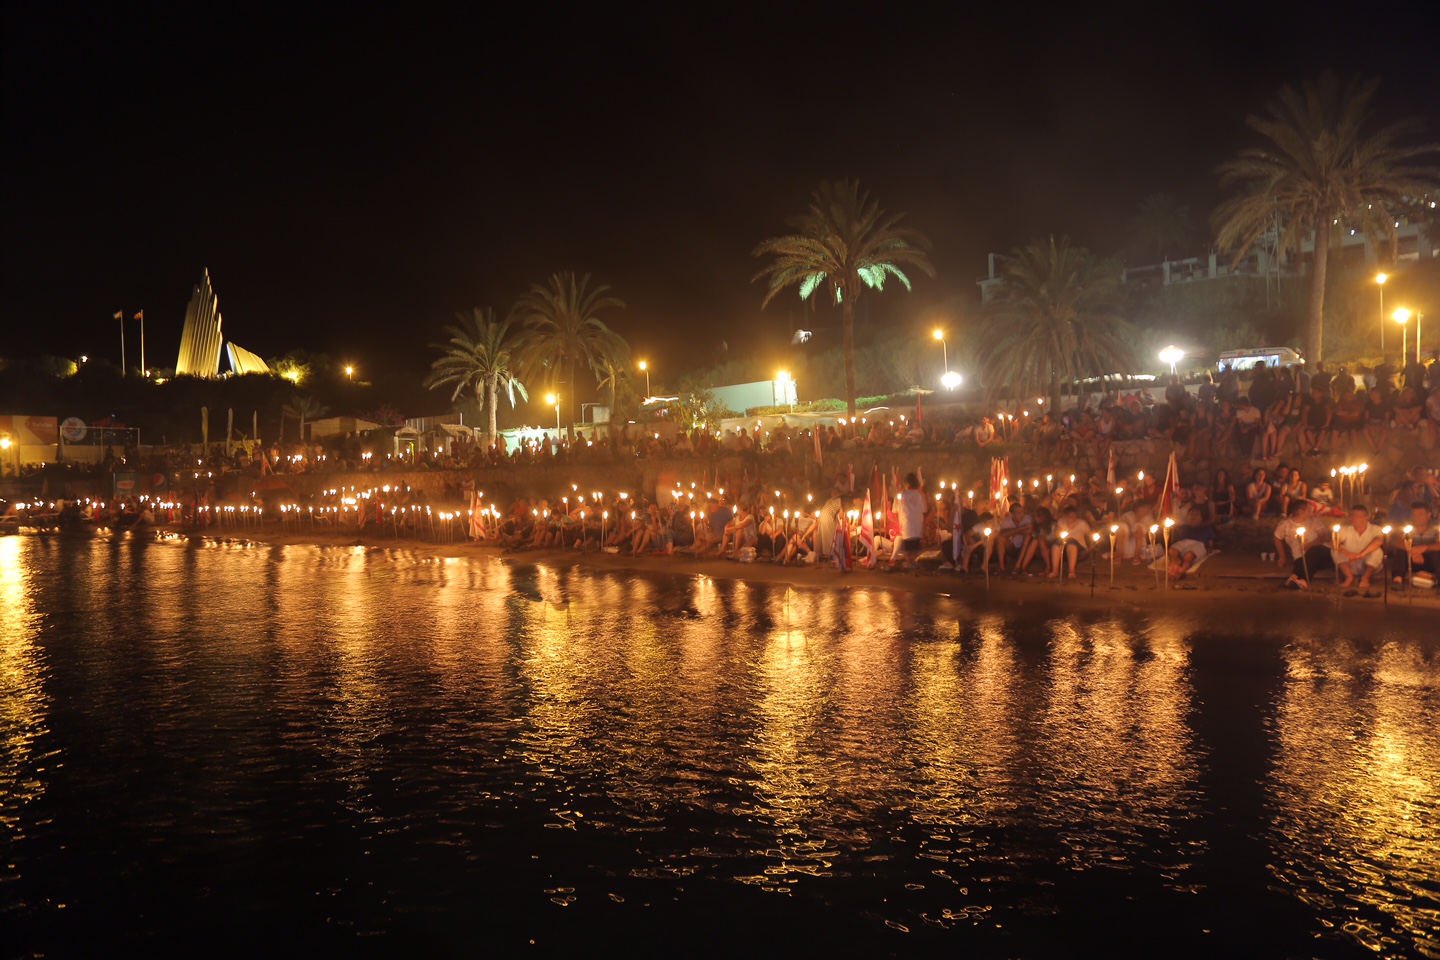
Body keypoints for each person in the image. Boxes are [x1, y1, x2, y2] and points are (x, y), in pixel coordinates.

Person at [1274, 500, 1332, 590]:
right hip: (1301, 557)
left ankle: (1293, 577)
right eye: (1309, 509)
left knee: (1313, 552)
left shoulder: (1314, 521)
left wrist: (1310, 545)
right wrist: (1282, 557)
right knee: (1308, 562)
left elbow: (1324, 536)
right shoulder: (1286, 524)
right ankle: (1303, 582)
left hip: (1321, 552)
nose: (1312, 511)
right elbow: (1277, 538)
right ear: (1301, 511)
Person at [1331, 504, 1385, 597]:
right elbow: (1333, 542)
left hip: (1369, 564)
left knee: (1377, 551)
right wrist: (1348, 554)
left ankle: (1365, 578)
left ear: (1367, 517)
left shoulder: (1376, 529)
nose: (1356, 519)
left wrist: (1360, 555)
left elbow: (1378, 541)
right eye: (1353, 516)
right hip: (1350, 564)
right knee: (1335, 550)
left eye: (1359, 517)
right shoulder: (1345, 529)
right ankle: (1349, 577)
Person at [1385, 501, 1440, 586]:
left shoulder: (1436, 527)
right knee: (1400, 551)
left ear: (1428, 515)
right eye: (1413, 515)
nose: (1416, 517)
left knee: (1437, 554)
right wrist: (1412, 551)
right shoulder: (1408, 527)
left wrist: (1425, 548)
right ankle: (1397, 580)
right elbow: (1396, 541)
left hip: (1430, 561)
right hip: (1412, 560)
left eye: (1420, 514)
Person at [1166, 507, 1215, 581]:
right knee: (1173, 551)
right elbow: (1176, 541)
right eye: (1191, 514)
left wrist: (1209, 550)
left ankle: (1181, 570)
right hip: (1183, 542)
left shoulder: (1206, 528)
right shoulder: (1182, 527)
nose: (1193, 516)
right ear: (1187, 517)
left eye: (1196, 514)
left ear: (1201, 518)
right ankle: (1174, 567)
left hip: (1198, 543)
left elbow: (1211, 544)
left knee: (1189, 555)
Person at [893, 473, 926, 570]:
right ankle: (913, 561)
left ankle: (909, 562)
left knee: (907, 545)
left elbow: (895, 510)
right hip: (917, 523)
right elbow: (924, 509)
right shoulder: (919, 495)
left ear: (907, 484)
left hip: (906, 523)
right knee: (915, 544)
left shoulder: (901, 495)